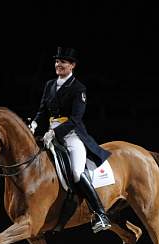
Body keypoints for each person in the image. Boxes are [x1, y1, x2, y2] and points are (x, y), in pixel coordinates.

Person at [30, 46, 112, 233]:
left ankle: (100, 213)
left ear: (72, 66)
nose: (58, 64)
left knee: (75, 172)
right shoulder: (50, 84)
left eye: (63, 62)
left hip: (72, 136)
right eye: (57, 61)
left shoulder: (78, 88)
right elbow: (42, 110)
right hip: (51, 134)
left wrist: (56, 132)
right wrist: (35, 123)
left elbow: (76, 119)